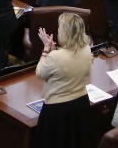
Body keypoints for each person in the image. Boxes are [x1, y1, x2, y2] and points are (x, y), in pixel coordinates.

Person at [35, 12, 94, 147]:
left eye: (60, 28)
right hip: (81, 104)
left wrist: (46, 50)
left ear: (65, 32)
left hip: (58, 110)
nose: (58, 30)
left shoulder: (55, 57)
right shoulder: (86, 49)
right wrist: (54, 50)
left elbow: (40, 73)